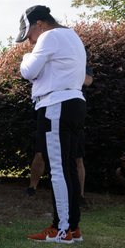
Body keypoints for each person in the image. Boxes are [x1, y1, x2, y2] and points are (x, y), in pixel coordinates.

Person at [18, 5, 87, 244]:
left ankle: (61, 229)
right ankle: (73, 227)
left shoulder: (49, 36)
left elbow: (28, 71)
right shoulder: (72, 36)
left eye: (29, 35)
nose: (29, 41)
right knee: (67, 167)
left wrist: (27, 57)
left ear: (40, 24)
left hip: (56, 105)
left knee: (58, 169)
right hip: (74, 102)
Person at [26, 65, 93, 200]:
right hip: (48, 109)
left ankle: (79, 195)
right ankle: (32, 187)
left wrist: (66, 75)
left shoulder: (81, 63)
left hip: (73, 113)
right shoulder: (50, 61)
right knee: (40, 153)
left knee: (76, 156)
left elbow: (88, 81)